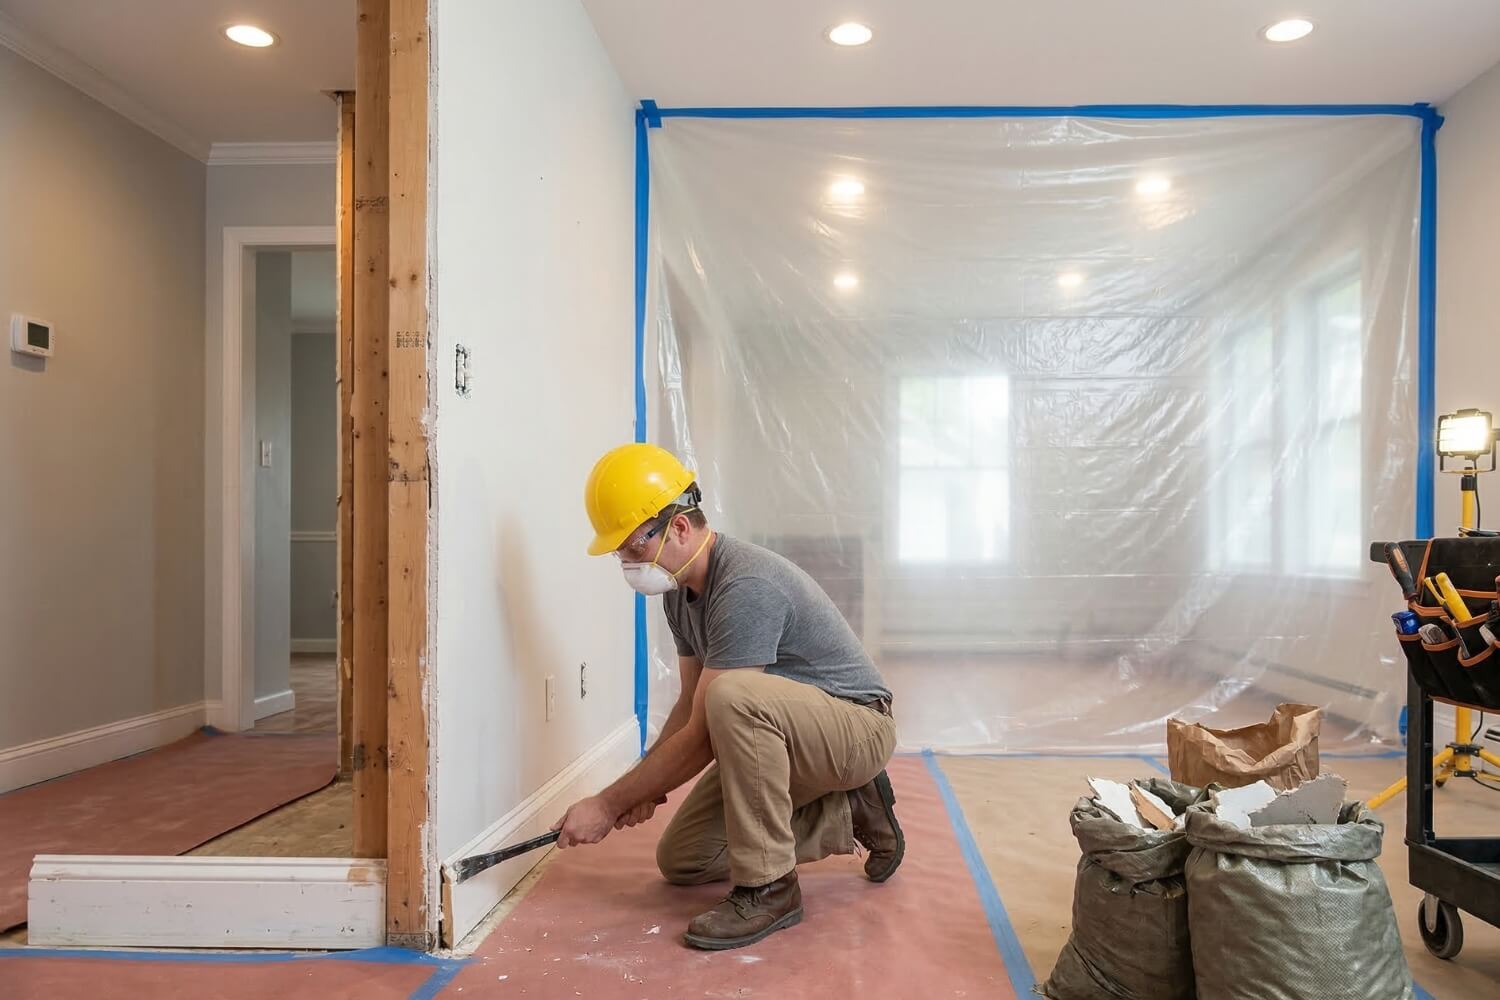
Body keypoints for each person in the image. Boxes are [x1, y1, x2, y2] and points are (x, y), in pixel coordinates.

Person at [552, 443, 903, 951]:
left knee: (733, 696)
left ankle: (770, 889)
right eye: (619, 554)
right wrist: (646, 788)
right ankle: (851, 812)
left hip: (856, 728)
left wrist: (610, 803)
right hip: (790, 735)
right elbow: (691, 705)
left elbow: (706, 733)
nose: (627, 564)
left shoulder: (745, 586)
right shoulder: (680, 591)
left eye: (632, 547)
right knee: (684, 858)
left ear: (677, 527)